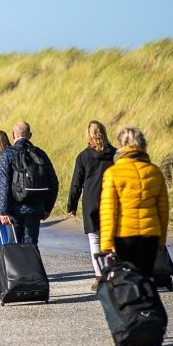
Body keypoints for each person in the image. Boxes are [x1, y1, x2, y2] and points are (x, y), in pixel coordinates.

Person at [99, 126, 169, 275]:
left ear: (120, 145)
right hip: (150, 234)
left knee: (127, 280)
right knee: (145, 277)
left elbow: (108, 211)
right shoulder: (155, 172)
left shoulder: (113, 173)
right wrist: (161, 240)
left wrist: (107, 243)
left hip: (123, 236)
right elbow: (163, 210)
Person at [66, 120, 118, 282]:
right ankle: (115, 274)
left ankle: (99, 274)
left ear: (88, 135)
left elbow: (76, 183)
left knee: (95, 240)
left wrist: (71, 205)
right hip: (113, 202)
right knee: (114, 239)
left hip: (91, 203)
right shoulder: (115, 154)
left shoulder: (83, 157)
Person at [0, 121, 59, 245]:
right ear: (30, 135)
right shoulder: (40, 154)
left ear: (13, 135)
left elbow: (3, 184)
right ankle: (32, 264)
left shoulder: (8, 154)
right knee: (31, 245)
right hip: (35, 208)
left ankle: (18, 265)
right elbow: (53, 182)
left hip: (14, 209)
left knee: (15, 246)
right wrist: (47, 208)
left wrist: (3, 211)